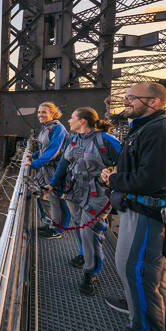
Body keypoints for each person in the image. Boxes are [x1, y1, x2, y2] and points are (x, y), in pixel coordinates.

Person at [101, 82, 166, 331]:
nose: (126, 102)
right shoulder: (147, 129)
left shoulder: (162, 132)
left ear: (155, 102)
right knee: (151, 272)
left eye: (132, 98)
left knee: (135, 269)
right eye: (126, 98)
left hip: (146, 215)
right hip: (140, 210)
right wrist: (115, 174)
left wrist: (113, 180)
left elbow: (153, 180)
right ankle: (149, 321)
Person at [44, 107, 121, 296]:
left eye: (72, 118)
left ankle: (90, 273)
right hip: (74, 192)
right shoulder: (73, 139)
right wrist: (53, 184)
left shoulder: (107, 141)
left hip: (98, 195)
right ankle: (84, 254)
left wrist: (114, 176)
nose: (69, 121)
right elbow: (64, 163)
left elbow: (126, 164)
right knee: (79, 225)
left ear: (83, 121)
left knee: (90, 232)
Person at [25, 102, 68, 239]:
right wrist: (34, 155)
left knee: (57, 199)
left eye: (44, 112)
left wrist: (33, 164)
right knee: (48, 195)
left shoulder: (58, 128)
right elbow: (44, 147)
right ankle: (53, 224)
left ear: (53, 114)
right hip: (46, 168)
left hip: (56, 168)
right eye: (39, 112)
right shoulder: (46, 128)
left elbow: (53, 151)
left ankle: (58, 230)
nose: (40, 115)